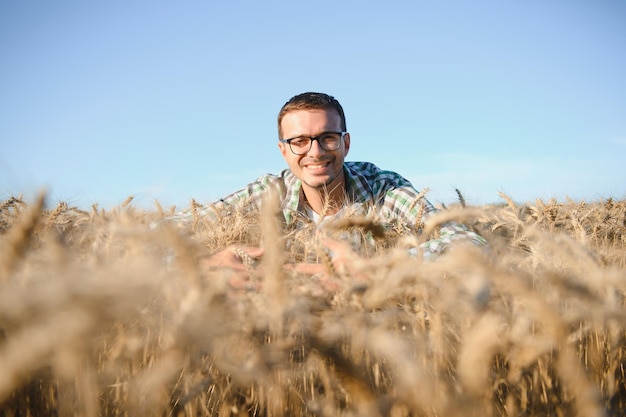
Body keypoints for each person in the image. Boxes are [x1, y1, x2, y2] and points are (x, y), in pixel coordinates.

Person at [165, 92, 487, 274]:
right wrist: (201, 263)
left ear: (346, 143)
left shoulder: (383, 188)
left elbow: (469, 244)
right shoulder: (268, 191)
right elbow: (155, 236)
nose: (315, 152)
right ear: (283, 150)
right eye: (300, 141)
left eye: (327, 138)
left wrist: (377, 266)